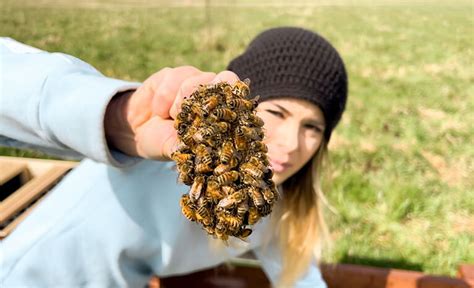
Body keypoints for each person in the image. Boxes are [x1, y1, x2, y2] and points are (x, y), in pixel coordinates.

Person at [0, 26, 347, 288]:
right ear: (240, 113)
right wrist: (118, 115)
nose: (290, 143)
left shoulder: (268, 206)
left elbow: (300, 277)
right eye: (276, 113)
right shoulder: (161, 151)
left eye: (313, 127)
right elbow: (18, 82)